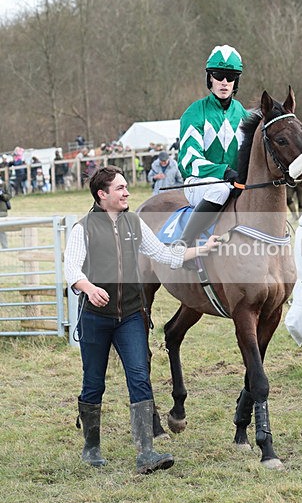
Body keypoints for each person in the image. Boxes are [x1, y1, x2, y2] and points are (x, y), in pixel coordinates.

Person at [64, 165, 220, 473]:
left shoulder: (135, 223)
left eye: (125, 187)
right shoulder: (83, 229)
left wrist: (201, 248)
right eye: (120, 188)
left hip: (131, 316)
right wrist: (89, 288)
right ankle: (91, 447)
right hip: (95, 318)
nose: (127, 193)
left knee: (139, 377)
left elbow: (163, 254)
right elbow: (72, 270)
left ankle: (146, 451)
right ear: (102, 194)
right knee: (94, 383)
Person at [177, 45, 248, 248]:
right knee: (220, 189)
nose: (224, 82)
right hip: (198, 183)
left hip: (232, 183)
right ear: (210, 78)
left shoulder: (243, 115)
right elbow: (189, 160)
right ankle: (184, 244)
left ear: (236, 81)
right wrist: (224, 171)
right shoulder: (194, 112)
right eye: (218, 75)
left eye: (230, 76)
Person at [0, 178, 12, 249]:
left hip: (2, 211)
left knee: (2, 230)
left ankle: (5, 247)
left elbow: (9, 196)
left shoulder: (4, 185)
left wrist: (2, 195)